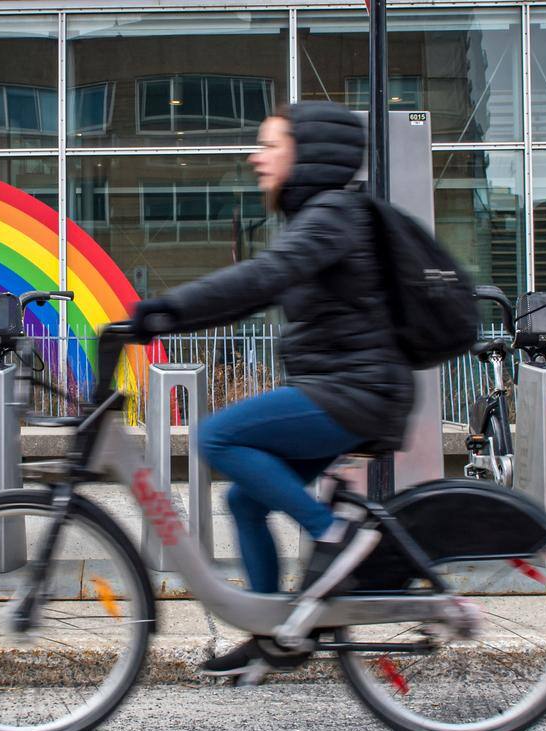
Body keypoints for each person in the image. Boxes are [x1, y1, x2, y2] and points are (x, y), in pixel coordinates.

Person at [125, 101, 415, 678]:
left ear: (305, 155)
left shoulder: (331, 216)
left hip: (355, 391)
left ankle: (333, 534)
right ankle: (268, 635)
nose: (257, 157)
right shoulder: (318, 218)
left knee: (216, 436)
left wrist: (164, 309)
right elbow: (255, 293)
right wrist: (170, 319)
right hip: (345, 388)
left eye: (270, 145)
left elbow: (261, 276)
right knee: (244, 501)